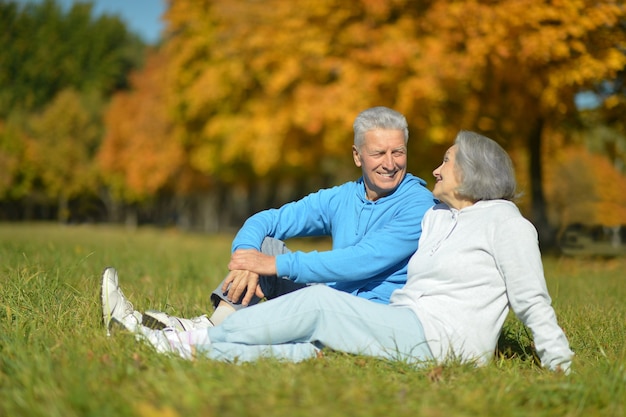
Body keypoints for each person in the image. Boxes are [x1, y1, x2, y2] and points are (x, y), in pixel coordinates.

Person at [101, 130, 574, 373]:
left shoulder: (509, 224)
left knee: (322, 302)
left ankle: (188, 336)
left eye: (447, 160)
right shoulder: (438, 217)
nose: (435, 168)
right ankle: (177, 346)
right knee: (302, 353)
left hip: (445, 341)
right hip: (406, 327)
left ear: (474, 172)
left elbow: (532, 300)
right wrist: (255, 251)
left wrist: (559, 366)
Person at [139, 106, 435, 331]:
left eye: (398, 152)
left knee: (269, 259)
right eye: (378, 153)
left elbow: (360, 260)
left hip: (369, 318)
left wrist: (276, 265)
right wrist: (246, 256)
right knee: (265, 246)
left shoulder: (418, 203)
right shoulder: (342, 197)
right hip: (326, 300)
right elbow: (268, 220)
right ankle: (214, 327)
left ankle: (203, 333)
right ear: (358, 156)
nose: (390, 163)